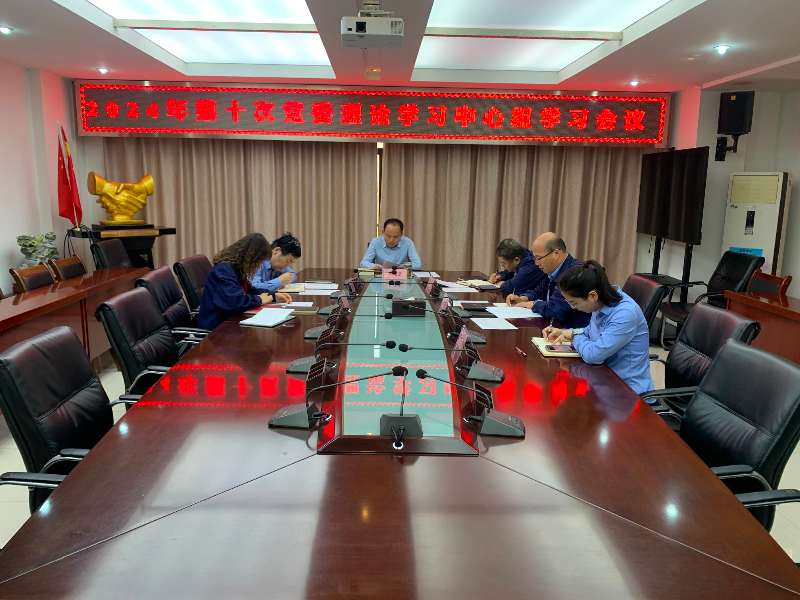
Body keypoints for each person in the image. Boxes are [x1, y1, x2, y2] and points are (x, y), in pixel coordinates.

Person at [542, 260, 654, 395]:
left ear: (592, 295)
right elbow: (592, 331)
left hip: (627, 392)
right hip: (603, 379)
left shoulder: (625, 314)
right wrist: (567, 332)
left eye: (574, 303)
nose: (573, 308)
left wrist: (575, 336)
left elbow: (593, 355)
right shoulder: (601, 301)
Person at [197, 233, 293, 330]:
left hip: (229, 323)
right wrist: (259, 300)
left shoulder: (236, 269)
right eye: (259, 262)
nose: (258, 266)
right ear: (250, 258)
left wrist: (273, 296)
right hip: (216, 329)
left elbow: (251, 291)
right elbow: (234, 302)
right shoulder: (223, 271)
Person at [506, 233, 590, 328]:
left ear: (556, 254)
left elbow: (556, 310)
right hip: (553, 327)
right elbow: (540, 291)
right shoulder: (553, 270)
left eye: (539, 258)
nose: (536, 263)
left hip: (572, 330)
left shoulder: (574, 274)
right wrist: (523, 298)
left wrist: (534, 304)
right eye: (534, 258)